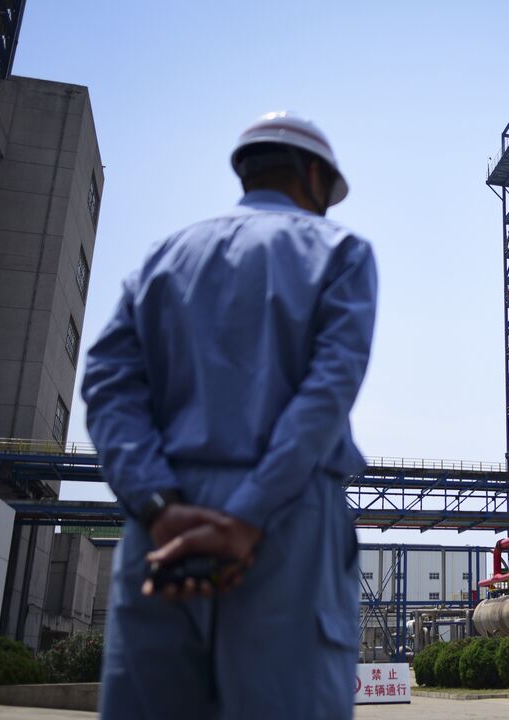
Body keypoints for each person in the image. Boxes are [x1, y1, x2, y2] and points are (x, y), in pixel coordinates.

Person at [85, 111, 375, 720]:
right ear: (314, 174)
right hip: (285, 522)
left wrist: (159, 506)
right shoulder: (339, 252)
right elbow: (326, 393)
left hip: (164, 532)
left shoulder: (163, 258)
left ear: (246, 170)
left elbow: (108, 386)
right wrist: (245, 518)